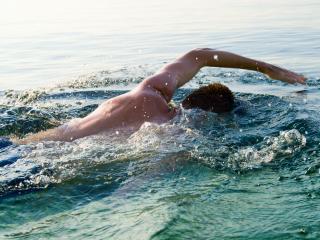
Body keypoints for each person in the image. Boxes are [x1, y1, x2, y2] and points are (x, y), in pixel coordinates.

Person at [17, 48, 306, 143]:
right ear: (205, 115)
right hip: (43, 172)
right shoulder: (171, 132)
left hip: (19, 146)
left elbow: (200, 54)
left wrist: (268, 69)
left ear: (188, 96)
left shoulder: (149, 91)